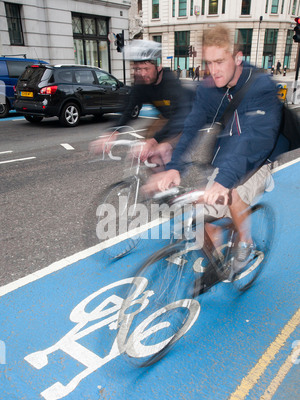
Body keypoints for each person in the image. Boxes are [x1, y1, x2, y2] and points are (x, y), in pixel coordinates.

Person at [143, 26, 282, 280]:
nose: (213, 70)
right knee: (197, 213)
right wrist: (175, 166)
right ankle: (219, 253)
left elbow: (253, 138)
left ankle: (246, 244)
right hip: (227, 159)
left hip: (258, 159)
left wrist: (223, 181)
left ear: (237, 58)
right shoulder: (208, 89)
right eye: (208, 62)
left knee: (232, 194)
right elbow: (191, 127)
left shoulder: (260, 86)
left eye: (220, 61)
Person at [90, 40, 194, 167]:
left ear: (158, 66)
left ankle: (174, 175)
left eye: (146, 68)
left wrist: (153, 142)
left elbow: (179, 118)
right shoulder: (141, 83)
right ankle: (160, 183)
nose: (142, 74)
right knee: (146, 156)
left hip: (188, 117)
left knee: (162, 152)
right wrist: (111, 133)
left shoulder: (170, 83)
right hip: (167, 118)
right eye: (138, 69)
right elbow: (129, 109)